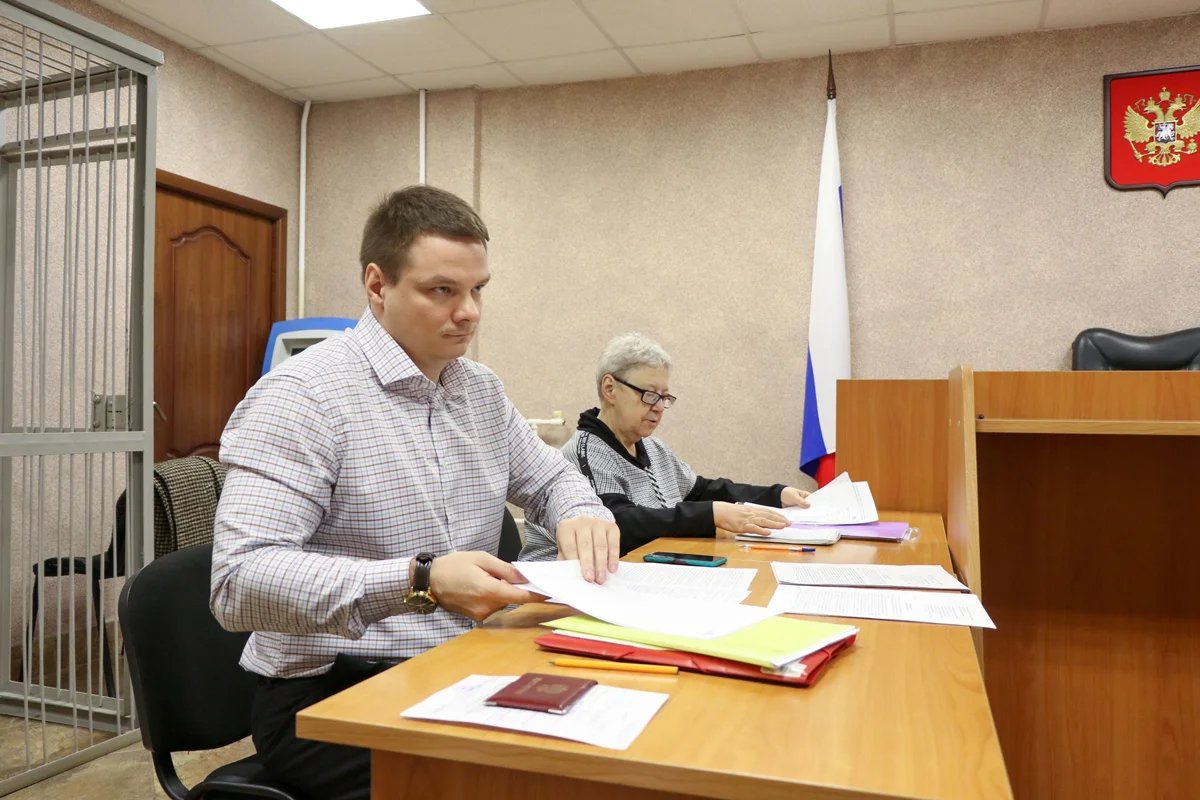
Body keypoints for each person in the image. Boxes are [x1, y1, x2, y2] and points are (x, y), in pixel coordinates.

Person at [210, 185, 620, 800]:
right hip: (333, 692)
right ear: (377, 286)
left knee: (615, 745)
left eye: (478, 289)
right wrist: (421, 581)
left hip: (461, 665)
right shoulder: (302, 398)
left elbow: (552, 477)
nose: (470, 312)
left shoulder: (478, 390)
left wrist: (581, 511)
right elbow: (237, 584)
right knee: (540, 783)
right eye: (442, 291)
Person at [520, 332, 811, 560]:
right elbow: (620, 523)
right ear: (610, 389)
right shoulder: (585, 452)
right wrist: (712, 515)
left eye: (664, 397)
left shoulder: (654, 449)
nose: (659, 407)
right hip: (563, 591)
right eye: (649, 395)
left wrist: (777, 495)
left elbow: (702, 490)